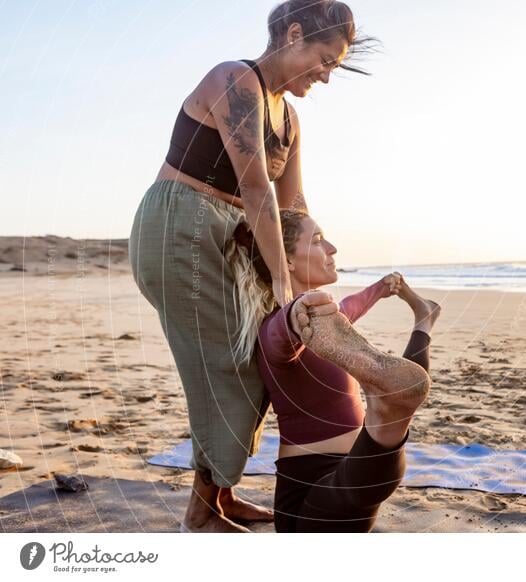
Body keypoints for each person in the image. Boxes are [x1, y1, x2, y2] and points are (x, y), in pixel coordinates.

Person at [128, 0, 375, 533]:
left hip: (239, 239)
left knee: (262, 357)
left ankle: (221, 493)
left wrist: (314, 251)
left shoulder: (290, 118)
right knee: (231, 365)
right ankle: (202, 512)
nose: (328, 76)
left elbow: (293, 204)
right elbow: (258, 189)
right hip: (183, 227)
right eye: (326, 59)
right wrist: (285, 286)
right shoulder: (234, 79)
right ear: (292, 33)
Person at [231, 211, 441, 532]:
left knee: (382, 435)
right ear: (286, 261)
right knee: (362, 477)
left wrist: (380, 287)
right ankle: (386, 422)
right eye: (317, 240)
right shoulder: (275, 326)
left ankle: (387, 416)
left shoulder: (331, 320)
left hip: (356, 464)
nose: (332, 248)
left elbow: (353, 306)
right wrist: (295, 311)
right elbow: (281, 334)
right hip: (307, 488)